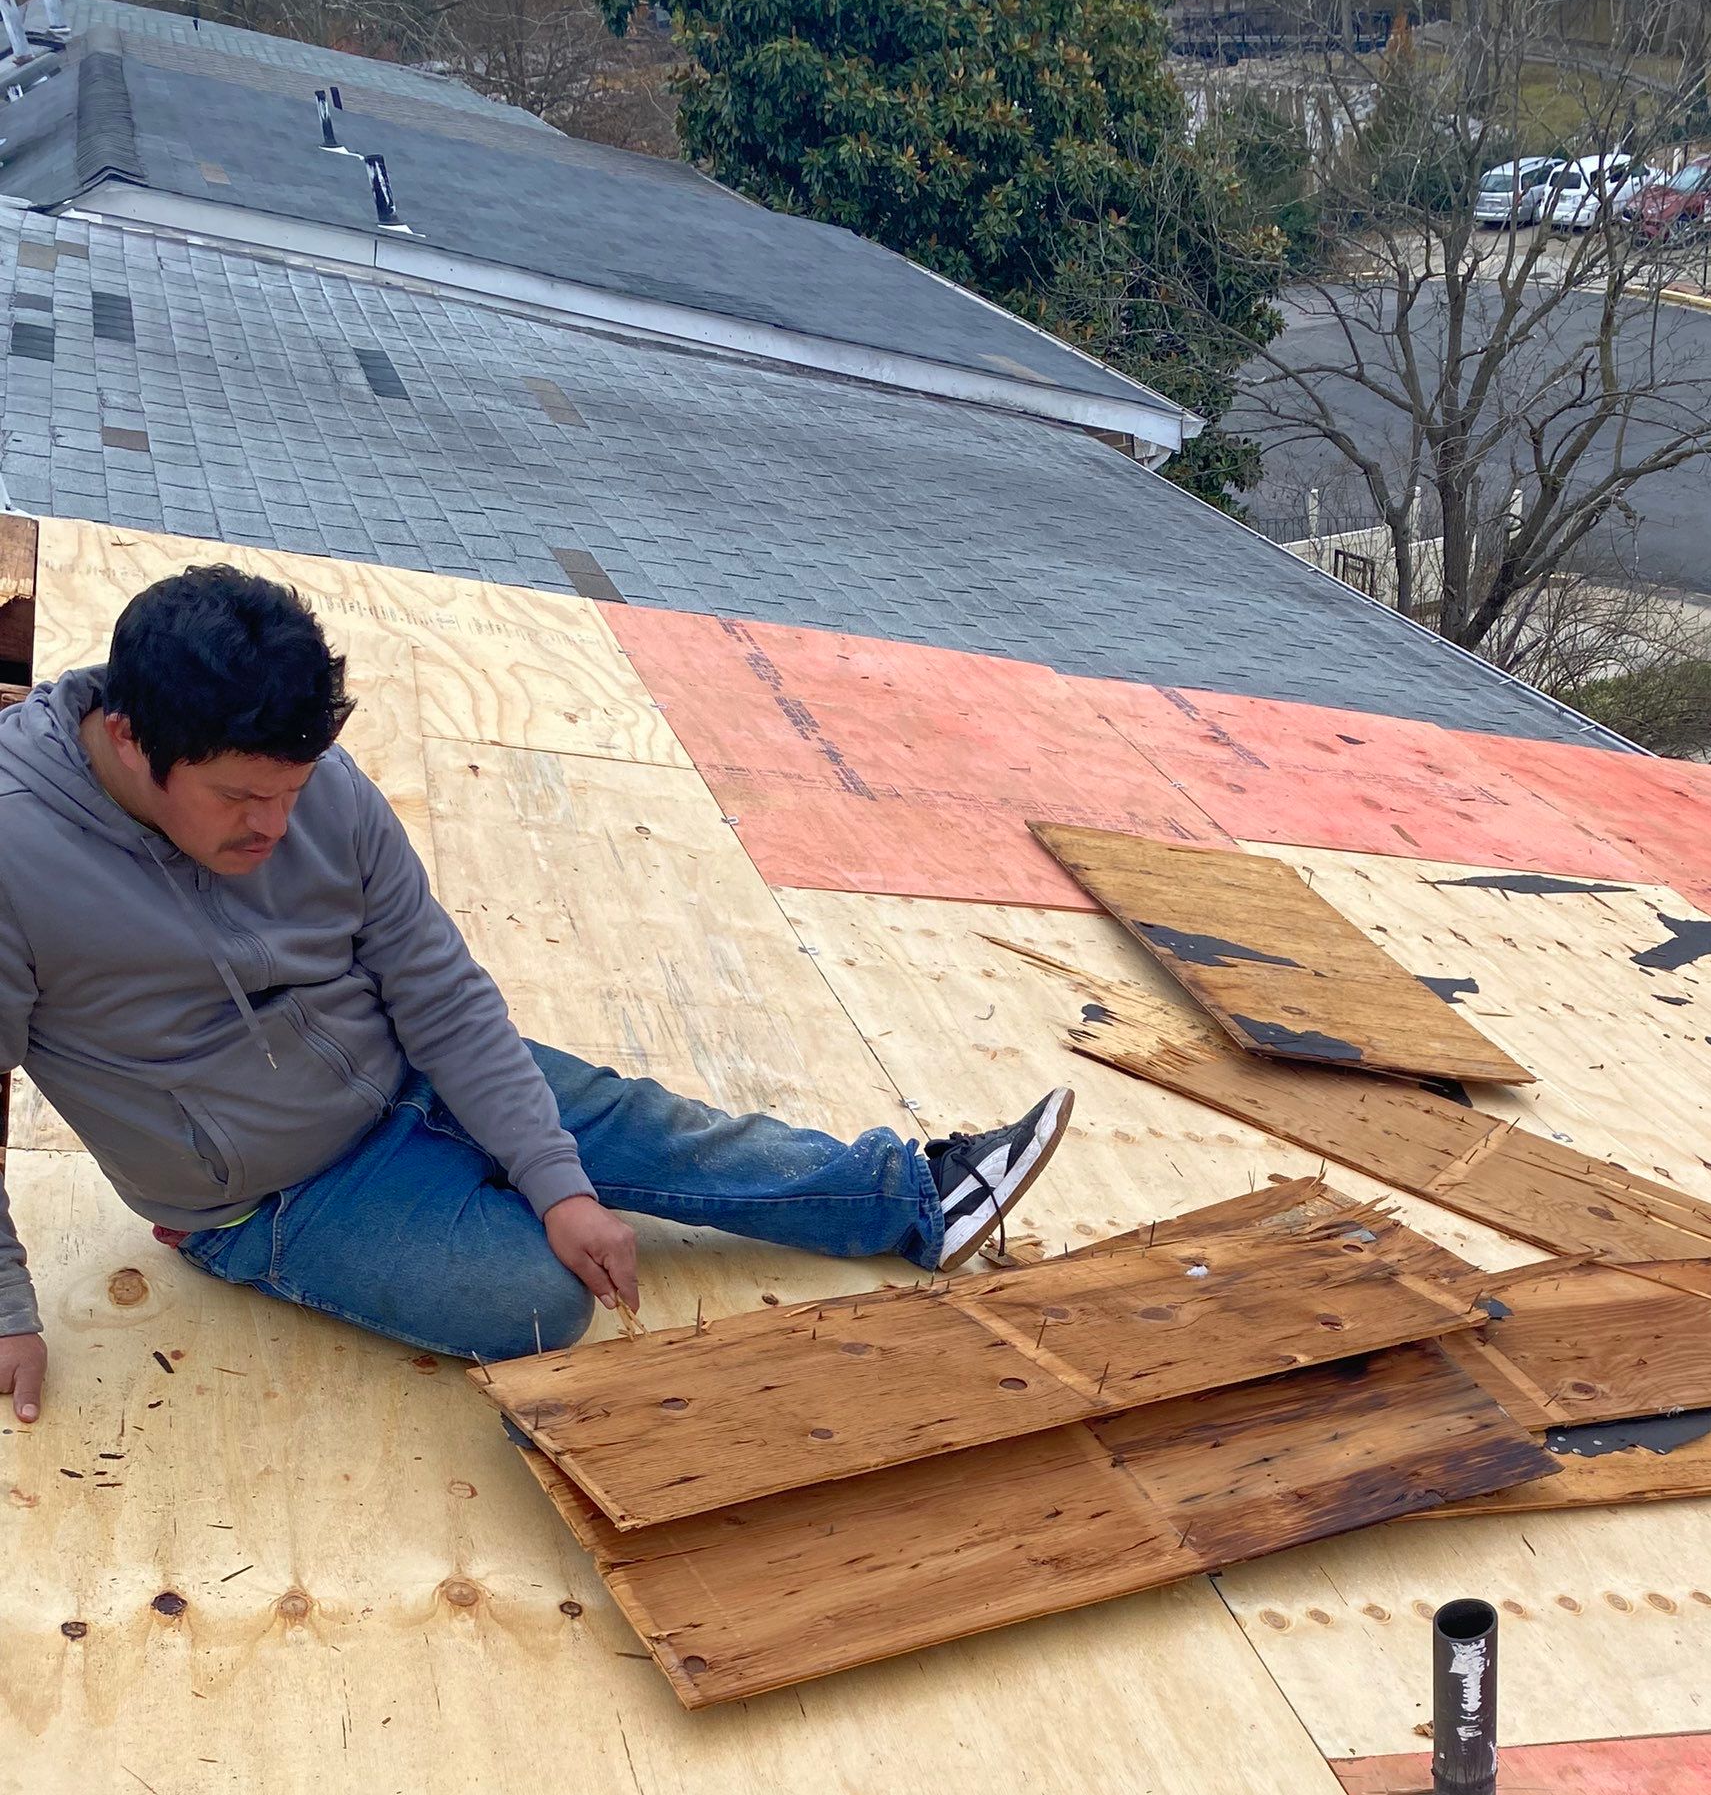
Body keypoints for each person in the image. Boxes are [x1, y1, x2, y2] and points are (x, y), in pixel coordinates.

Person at [0, 566, 1075, 1425]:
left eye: (294, 790)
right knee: (539, 1299)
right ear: (133, 741)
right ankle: (311, 1235)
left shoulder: (306, 777)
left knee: (642, 1126)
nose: (274, 828)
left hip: (400, 1067)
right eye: (240, 799)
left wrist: (556, 1181)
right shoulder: (15, 849)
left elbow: (440, 989)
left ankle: (913, 1201)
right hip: (272, 1193)